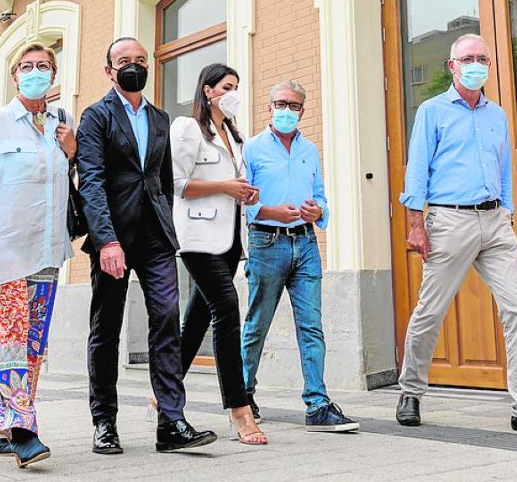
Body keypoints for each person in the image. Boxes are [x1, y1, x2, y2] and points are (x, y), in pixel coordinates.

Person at [395, 34, 517, 437]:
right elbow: (417, 169)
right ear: (452, 66)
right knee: (430, 311)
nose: (475, 65)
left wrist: (507, 211)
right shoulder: (432, 111)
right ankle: (410, 392)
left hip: (494, 222)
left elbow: (504, 168)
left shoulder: (497, 115)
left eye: (481, 58)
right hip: (449, 220)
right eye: (467, 59)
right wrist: (416, 224)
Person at [76, 36, 217, 455]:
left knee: (167, 320)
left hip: (155, 236)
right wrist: (105, 240)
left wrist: (167, 222)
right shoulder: (96, 116)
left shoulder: (160, 118)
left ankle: (171, 421)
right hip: (114, 236)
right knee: (107, 329)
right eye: (124, 60)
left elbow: (162, 180)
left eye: (140, 59)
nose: (133, 65)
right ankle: (104, 422)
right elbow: (91, 182)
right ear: (109, 70)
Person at [0, 42, 75, 469]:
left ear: (54, 74)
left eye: (43, 66)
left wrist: (72, 152)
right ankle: (23, 430)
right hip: (2, 250)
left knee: (30, 347)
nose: (35, 72)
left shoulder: (63, 123)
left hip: (46, 251)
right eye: (26, 66)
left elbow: (63, 184)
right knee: (6, 343)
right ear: (14, 76)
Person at [240, 80, 359, 433]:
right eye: (280, 104)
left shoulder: (310, 150)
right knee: (257, 325)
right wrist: (270, 211)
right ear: (269, 108)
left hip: (306, 244)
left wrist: (317, 211)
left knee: (311, 326)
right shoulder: (252, 149)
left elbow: (320, 196)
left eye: (293, 105)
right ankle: (243, 396)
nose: (286, 110)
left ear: (302, 111)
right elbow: (244, 199)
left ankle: (317, 405)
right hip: (266, 243)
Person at [170, 64, 266, 445]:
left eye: (236, 87)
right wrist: (226, 186)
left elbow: (232, 185)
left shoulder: (234, 135)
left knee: (196, 320)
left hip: (229, 240)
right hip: (197, 238)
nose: (233, 93)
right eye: (227, 87)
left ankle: (164, 392)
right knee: (227, 310)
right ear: (207, 91)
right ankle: (239, 409)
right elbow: (176, 183)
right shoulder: (187, 128)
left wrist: (244, 193)